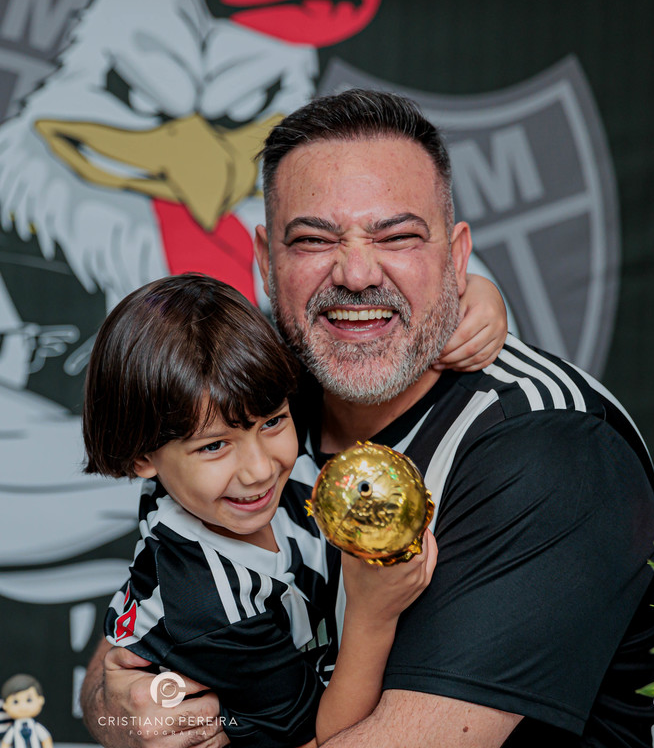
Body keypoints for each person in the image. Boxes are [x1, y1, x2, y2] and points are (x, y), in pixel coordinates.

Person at [82, 89, 654, 748]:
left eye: (397, 237)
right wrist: (122, 707)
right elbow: (133, 639)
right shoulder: (254, 399)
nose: (357, 274)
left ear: (455, 258)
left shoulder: (548, 449)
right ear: (265, 263)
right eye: (314, 240)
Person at [81, 273, 440, 747]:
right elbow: (324, 738)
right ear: (142, 457)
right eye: (214, 447)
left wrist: (481, 298)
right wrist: (372, 617)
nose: (259, 470)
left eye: (272, 422)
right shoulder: (211, 608)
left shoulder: (206, 453)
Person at [1, 674, 54, 748]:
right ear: (5, 706)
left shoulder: (36, 727)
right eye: (15, 702)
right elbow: (6, 743)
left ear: (40, 700)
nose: (23, 707)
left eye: (29, 700)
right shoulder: (13, 730)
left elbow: (46, 739)